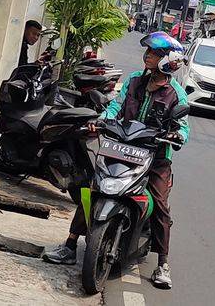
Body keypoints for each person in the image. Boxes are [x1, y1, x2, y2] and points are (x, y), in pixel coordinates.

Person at [42, 31, 190, 290]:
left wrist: (177, 134)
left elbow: (184, 127)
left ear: (169, 60)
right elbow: (116, 106)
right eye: (148, 52)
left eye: (154, 54)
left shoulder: (176, 94)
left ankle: (162, 264)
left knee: (160, 204)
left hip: (155, 156)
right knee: (93, 187)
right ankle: (69, 245)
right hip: (122, 146)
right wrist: (100, 120)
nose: (148, 57)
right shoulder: (134, 80)